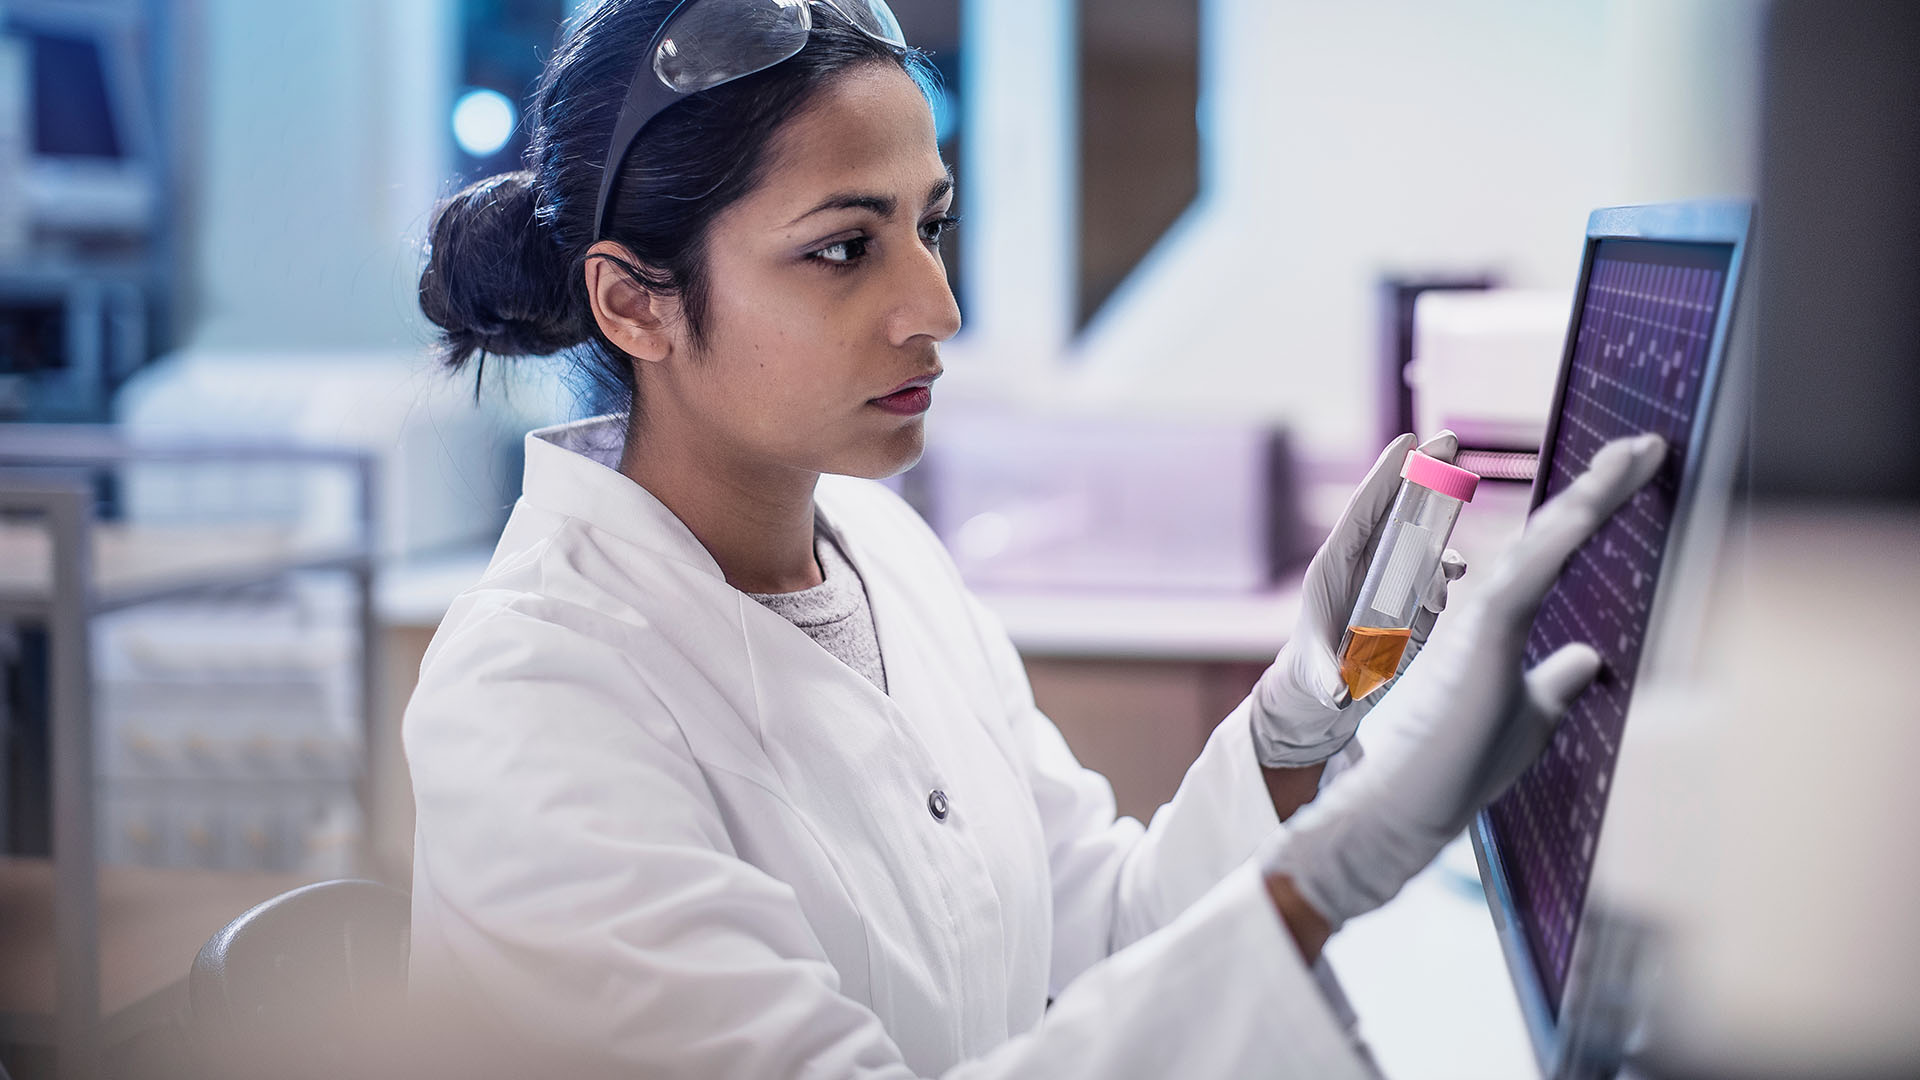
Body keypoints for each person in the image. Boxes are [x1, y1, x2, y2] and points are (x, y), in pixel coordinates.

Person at [404, 0, 1669, 1075]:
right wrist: (1328, 879)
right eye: (844, 248)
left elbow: (1107, 939)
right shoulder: (537, 693)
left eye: (930, 225)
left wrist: (1305, 721)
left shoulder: (883, 555)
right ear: (635, 303)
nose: (936, 306)